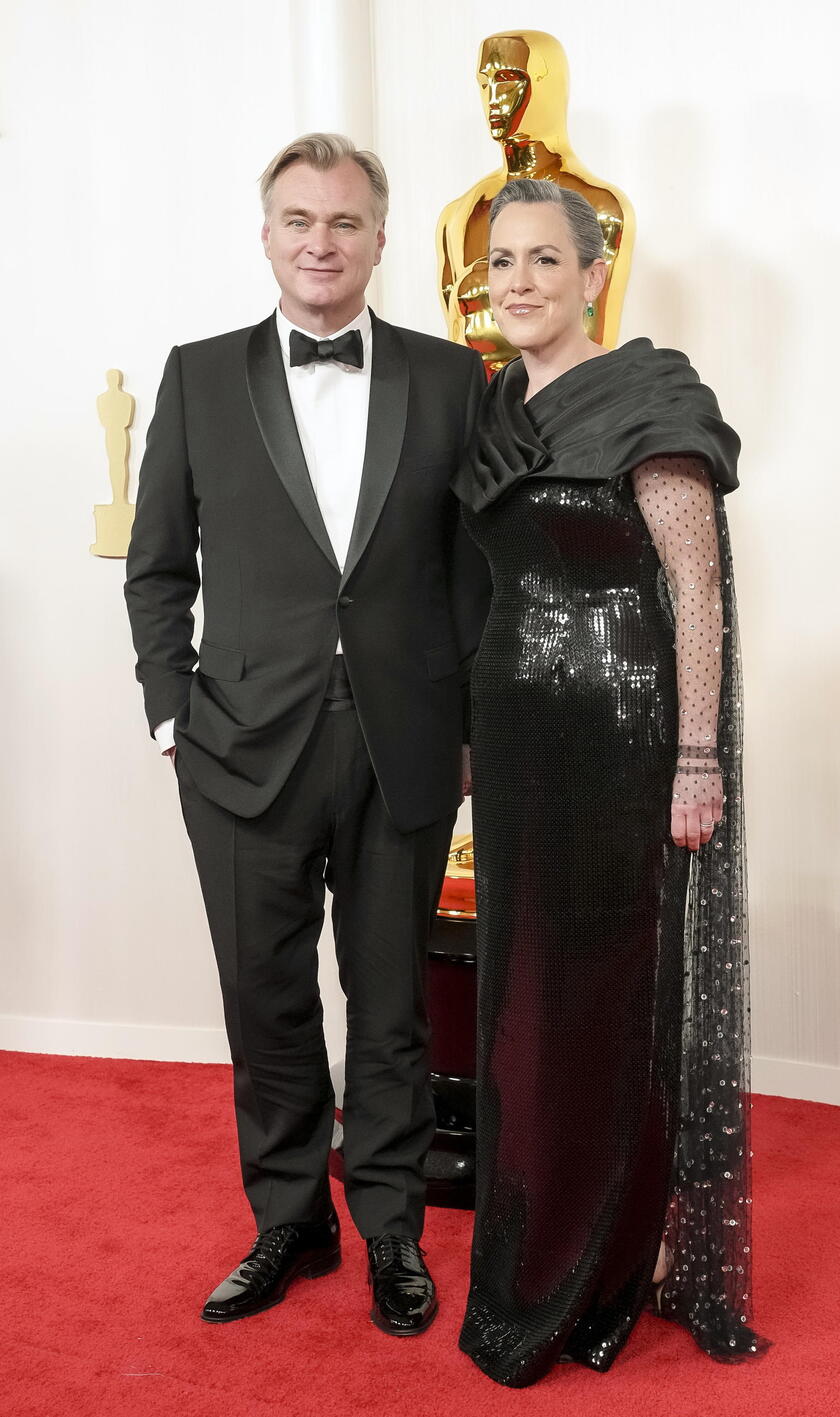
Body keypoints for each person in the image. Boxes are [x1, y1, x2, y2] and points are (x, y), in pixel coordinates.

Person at [124, 133, 489, 1337]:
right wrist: (172, 711)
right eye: (298, 221)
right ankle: (290, 1215)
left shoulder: (451, 380)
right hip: (236, 746)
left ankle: (390, 1227)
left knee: (389, 1003)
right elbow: (158, 566)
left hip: (405, 742)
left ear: (382, 239)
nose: (320, 243)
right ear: (266, 232)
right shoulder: (195, 376)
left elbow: (473, 570)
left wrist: (472, 728)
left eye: (344, 223)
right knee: (265, 997)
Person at [452, 178, 769, 1386]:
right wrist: (476, 745)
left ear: (593, 275)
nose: (519, 281)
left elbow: (694, 591)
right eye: (501, 263)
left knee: (610, 1001)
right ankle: (532, 1244)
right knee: (524, 1004)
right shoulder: (491, 406)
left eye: (544, 259)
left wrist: (695, 759)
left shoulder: (652, 395)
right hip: (519, 738)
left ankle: (604, 1268)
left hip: (623, 736)